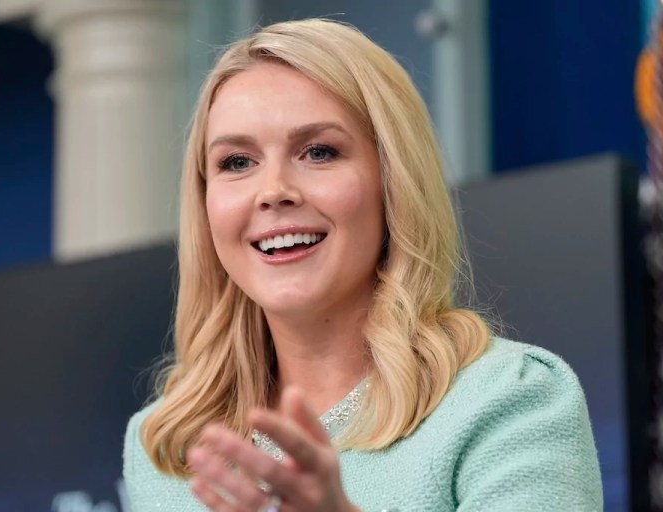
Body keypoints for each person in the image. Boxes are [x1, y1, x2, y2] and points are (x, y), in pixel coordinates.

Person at [123, 18, 602, 512]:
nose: (272, 192)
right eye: (237, 162)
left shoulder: (510, 399)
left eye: (319, 152)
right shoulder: (165, 444)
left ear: (393, 181)